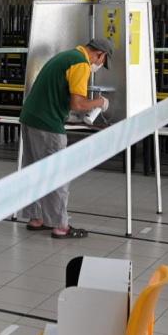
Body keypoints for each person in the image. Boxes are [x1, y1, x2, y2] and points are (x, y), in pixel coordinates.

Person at [19, 37, 114, 239]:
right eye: (101, 62)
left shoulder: (66, 56)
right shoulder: (81, 64)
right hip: (47, 124)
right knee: (57, 174)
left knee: (35, 171)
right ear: (100, 54)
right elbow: (78, 104)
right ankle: (60, 226)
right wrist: (99, 102)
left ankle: (37, 218)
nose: (99, 65)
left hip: (30, 117)